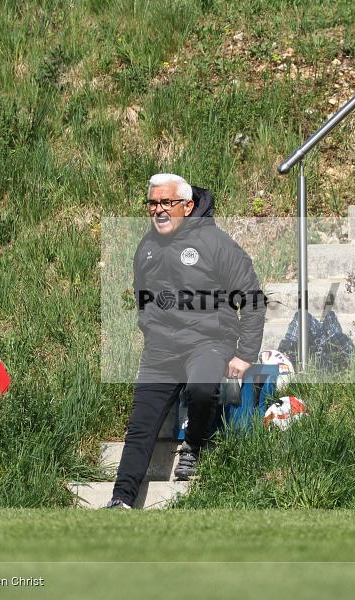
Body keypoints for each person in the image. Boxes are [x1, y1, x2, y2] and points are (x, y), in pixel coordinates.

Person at [106, 173, 266, 509]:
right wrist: (150, 328)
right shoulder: (146, 247)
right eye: (153, 203)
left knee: (202, 386)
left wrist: (245, 353)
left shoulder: (215, 243)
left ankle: (193, 443)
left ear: (188, 205)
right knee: (141, 424)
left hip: (209, 341)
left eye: (167, 202)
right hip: (161, 349)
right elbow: (142, 297)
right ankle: (121, 500)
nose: (159, 210)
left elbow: (251, 298)